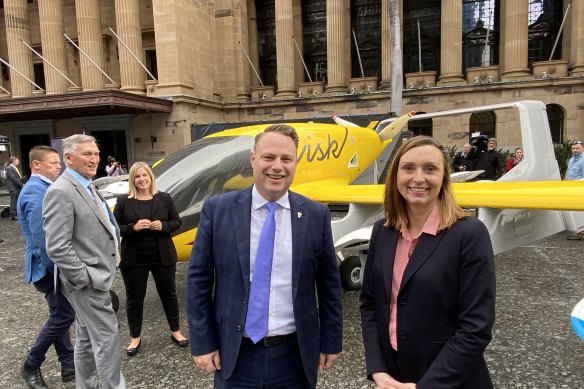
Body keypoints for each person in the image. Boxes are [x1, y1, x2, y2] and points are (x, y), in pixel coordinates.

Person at [186, 124, 343, 388]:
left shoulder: (316, 215)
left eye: (286, 159)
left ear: (295, 163)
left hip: (294, 356)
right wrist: (202, 343)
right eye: (269, 157)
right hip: (234, 354)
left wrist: (330, 339)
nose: (277, 166)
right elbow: (198, 282)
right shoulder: (218, 210)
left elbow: (329, 286)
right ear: (253, 159)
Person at [360, 135, 496, 388]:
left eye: (430, 169)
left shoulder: (469, 234)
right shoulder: (383, 230)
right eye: (408, 168)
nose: (418, 178)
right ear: (395, 176)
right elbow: (370, 304)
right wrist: (377, 368)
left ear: (444, 177)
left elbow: (475, 328)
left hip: (450, 380)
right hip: (392, 375)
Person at [43, 134, 126, 389]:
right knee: (107, 339)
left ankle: (85, 385)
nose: (94, 159)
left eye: (96, 154)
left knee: (88, 339)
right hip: (89, 282)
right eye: (87, 154)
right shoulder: (61, 191)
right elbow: (57, 246)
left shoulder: (87, 185)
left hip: (95, 277)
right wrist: (85, 278)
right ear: (68, 157)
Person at [113, 162, 188, 356]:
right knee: (134, 299)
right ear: (132, 180)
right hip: (134, 257)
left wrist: (163, 226)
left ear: (150, 177)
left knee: (169, 295)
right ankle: (135, 337)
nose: (141, 179)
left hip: (162, 255)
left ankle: (176, 331)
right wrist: (133, 228)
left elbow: (177, 222)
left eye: (145, 175)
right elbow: (114, 228)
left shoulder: (164, 198)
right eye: (137, 176)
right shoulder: (123, 201)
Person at [17, 146, 76, 388]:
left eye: (58, 162)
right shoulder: (35, 192)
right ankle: (31, 364)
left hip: (50, 266)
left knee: (58, 314)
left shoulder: (43, 188)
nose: (58, 165)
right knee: (64, 315)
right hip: (48, 268)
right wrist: (59, 269)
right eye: (53, 162)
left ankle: (68, 364)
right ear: (36, 165)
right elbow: (43, 239)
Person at [565, 140, 584, 241]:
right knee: (576, 212)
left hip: (579, 190)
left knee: (581, 211)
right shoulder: (572, 159)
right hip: (571, 189)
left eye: (577, 148)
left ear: (582, 148)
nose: (575, 150)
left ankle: (581, 233)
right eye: (573, 148)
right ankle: (579, 233)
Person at [6, 155, 24, 220]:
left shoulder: (15, 168)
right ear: (13, 161)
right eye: (17, 161)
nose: (18, 162)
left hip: (17, 187)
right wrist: (21, 184)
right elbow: (13, 178)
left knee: (17, 201)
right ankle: (13, 215)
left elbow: (18, 178)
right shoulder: (9, 168)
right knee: (13, 201)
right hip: (13, 188)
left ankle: (16, 213)